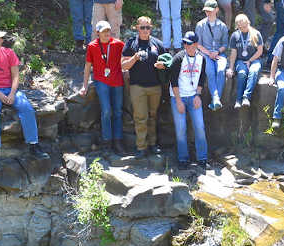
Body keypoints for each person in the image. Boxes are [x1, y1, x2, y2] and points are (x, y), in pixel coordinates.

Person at [0, 27, 50, 170]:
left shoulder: (8, 53)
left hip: (9, 88)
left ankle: (33, 145)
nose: (2, 40)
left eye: (1, 38)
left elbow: (16, 75)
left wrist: (12, 93)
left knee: (27, 108)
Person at [121, 16, 167, 158]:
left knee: (153, 116)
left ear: (151, 28)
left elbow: (168, 62)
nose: (145, 30)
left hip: (155, 87)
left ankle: (153, 144)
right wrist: (134, 58)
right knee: (140, 117)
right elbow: (123, 66)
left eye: (148, 27)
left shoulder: (157, 44)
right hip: (137, 86)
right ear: (137, 28)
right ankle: (141, 147)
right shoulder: (131, 43)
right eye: (142, 27)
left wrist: (163, 65)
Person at [80, 21, 126, 155]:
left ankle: (117, 141)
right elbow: (88, 66)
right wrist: (84, 85)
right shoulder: (92, 46)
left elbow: (127, 55)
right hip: (101, 81)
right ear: (97, 33)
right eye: (104, 31)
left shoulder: (117, 44)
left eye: (108, 31)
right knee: (106, 111)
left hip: (117, 81)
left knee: (117, 111)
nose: (106, 33)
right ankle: (107, 141)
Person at [169, 31, 209, 170]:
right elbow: (173, 81)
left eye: (190, 43)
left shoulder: (201, 58)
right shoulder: (178, 58)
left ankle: (202, 158)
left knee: (199, 127)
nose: (187, 46)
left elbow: (202, 77)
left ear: (196, 44)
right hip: (178, 96)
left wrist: (198, 95)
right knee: (181, 129)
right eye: (185, 43)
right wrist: (179, 101)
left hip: (193, 96)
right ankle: (183, 159)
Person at [195, 0, 229, 111]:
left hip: (219, 54)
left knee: (221, 70)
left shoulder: (222, 26)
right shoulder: (200, 25)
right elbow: (198, 45)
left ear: (217, 10)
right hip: (205, 53)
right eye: (206, 11)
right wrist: (209, 53)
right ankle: (216, 99)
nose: (208, 13)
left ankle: (215, 100)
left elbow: (225, 44)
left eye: (210, 10)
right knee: (210, 71)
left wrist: (217, 52)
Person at [225, 14, 264, 108]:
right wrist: (230, 68)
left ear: (248, 22)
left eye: (244, 25)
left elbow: (260, 51)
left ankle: (246, 97)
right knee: (242, 73)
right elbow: (233, 53)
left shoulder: (256, 33)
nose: (242, 28)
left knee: (253, 71)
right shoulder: (235, 35)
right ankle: (238, 99)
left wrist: (250, 60)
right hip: (241, 61)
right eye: (240, 26)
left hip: (255, 60)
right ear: (237, 25)